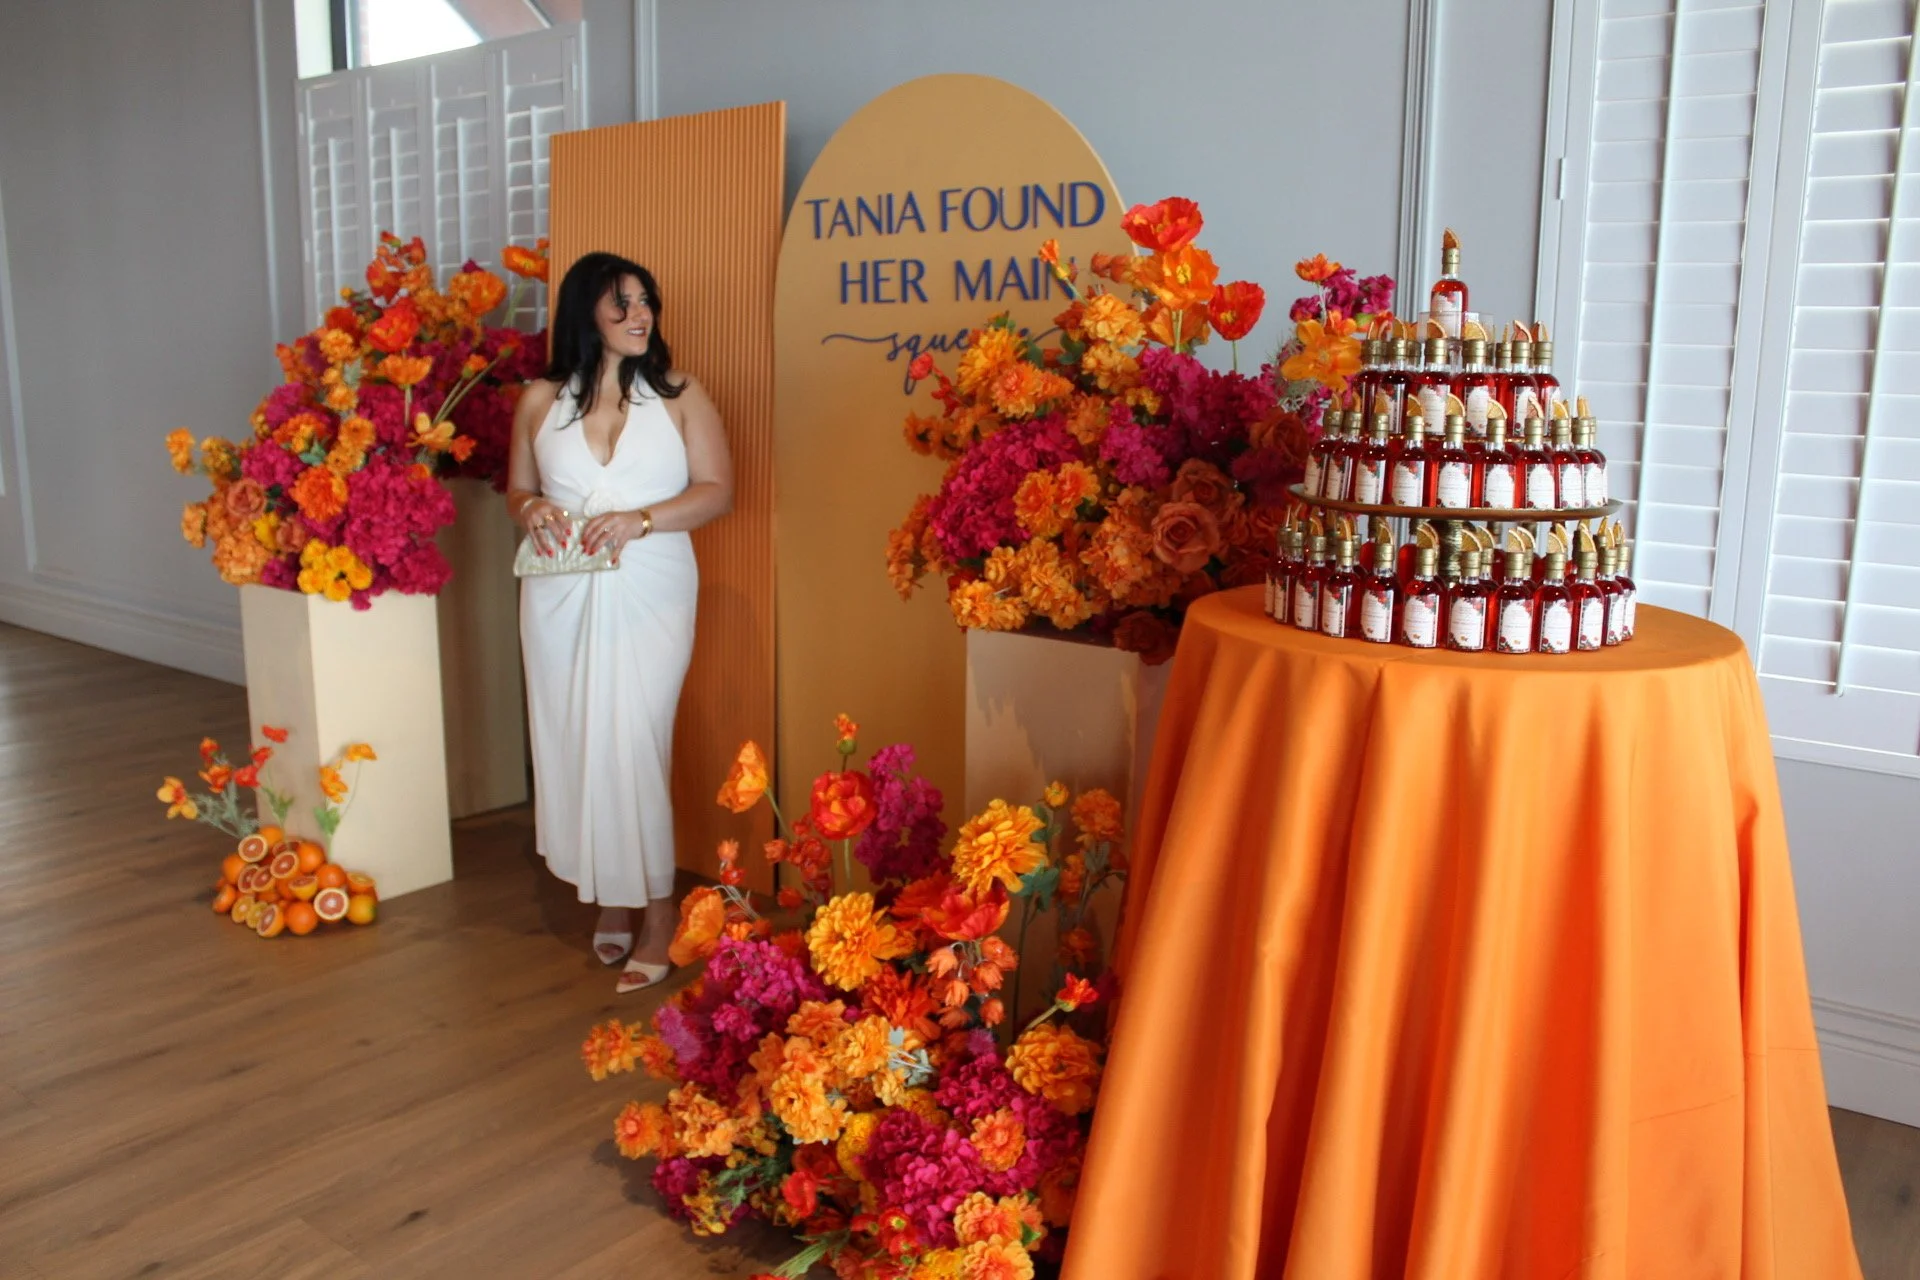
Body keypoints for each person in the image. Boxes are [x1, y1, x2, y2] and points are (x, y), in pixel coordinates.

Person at [505, 252, 732, 994]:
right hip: (559, 594)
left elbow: (716, 492)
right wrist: (532, 508)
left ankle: (658, 913)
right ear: (586, 316)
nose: (641, 316)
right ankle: (611, 896)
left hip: (651, 589)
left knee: (635, 743)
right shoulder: (540, 401)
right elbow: (517, 491)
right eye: (622, 305)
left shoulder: (681, 395)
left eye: (645, 303)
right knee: (577, 743)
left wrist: (640, 519)